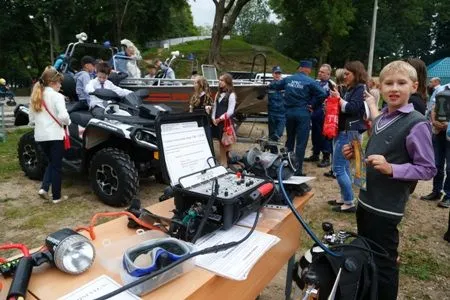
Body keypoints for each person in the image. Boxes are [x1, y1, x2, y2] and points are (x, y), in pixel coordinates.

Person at [345, 60, 436, 300]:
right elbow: (375, 151)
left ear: (414, 87)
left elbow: (427, 169)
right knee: (367, 254)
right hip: (365, 200)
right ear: (380, 87)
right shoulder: (381, 119)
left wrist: (391, 169)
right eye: (389, 83)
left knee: (385, 264)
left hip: (386, 208)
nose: (394, 88)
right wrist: (354, 155)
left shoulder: (416, 123)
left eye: (401, 83)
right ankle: (367, 293)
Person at [269, 60, 327, 176]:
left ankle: (287, 166)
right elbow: (323, 94)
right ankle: (297, 170)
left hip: (289, 113)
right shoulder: (310, 81)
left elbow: (274, 86)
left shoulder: (289, 79)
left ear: (300, 68)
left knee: (289, 140)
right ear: (308, 70)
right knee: (301, 143)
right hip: (303, 113)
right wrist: (313, 105)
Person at [327, 61, 368, 213]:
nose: (344, 76)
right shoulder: (351, 88)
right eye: (344, 73)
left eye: (347, 73)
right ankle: (344, 198)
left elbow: (352, 108)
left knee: (338, 167)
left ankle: (349, 202)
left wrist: (338, 98)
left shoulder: (360, 88)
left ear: (356, 74)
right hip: (344, 129)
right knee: (343, 166)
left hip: (350, 131)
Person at [29, 66, 71, 204]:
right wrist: (68, 122)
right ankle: (57, 197)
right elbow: (63, 116)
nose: (60, 85)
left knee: (52, 163)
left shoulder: (36, 96)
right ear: (53, 83)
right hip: (55, 135)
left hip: (40, 136)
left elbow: (31, 120)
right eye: (59, 83)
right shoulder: (57, 96)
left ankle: (44, 188)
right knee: (57, 166)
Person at [420, 81, 450, 208]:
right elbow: (432, 107)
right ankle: (436, 191)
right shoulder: (441, 89)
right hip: (438, 132)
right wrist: (434, 121)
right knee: (436, 163)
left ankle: (448, 196)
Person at [306, 64, 333, 167]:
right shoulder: (316, 83)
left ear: (328, 74)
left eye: (322, 72)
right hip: (315, 113)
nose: (319, 73)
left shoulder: (330, 85)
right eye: (319, 71)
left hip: (324, 114)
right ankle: (315, 154)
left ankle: (326, 157)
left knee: (325, 136)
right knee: (315, 134)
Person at [211, 73, 236, 167]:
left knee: (225, 142)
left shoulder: (231, 95)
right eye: (219, 80)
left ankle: (225, 163)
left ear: (227, 82)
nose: (219, 82)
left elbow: (230, 111)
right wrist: (213, 118)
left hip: (225, 122)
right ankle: (223, 161)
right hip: (217, 121)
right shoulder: (218, 93)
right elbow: (215, 107)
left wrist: (219, 119)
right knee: (220, 142)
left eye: (222, 80)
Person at [267, 66, 286, 153]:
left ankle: (271, 143)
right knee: (272, 133)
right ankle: (273, 153)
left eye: (279, 73)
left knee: (279, 132)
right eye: (276, 73)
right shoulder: (269, 86)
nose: (277, 75)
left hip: (282, 113)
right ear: (273, 74)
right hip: (272, 112)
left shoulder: (285, 85)